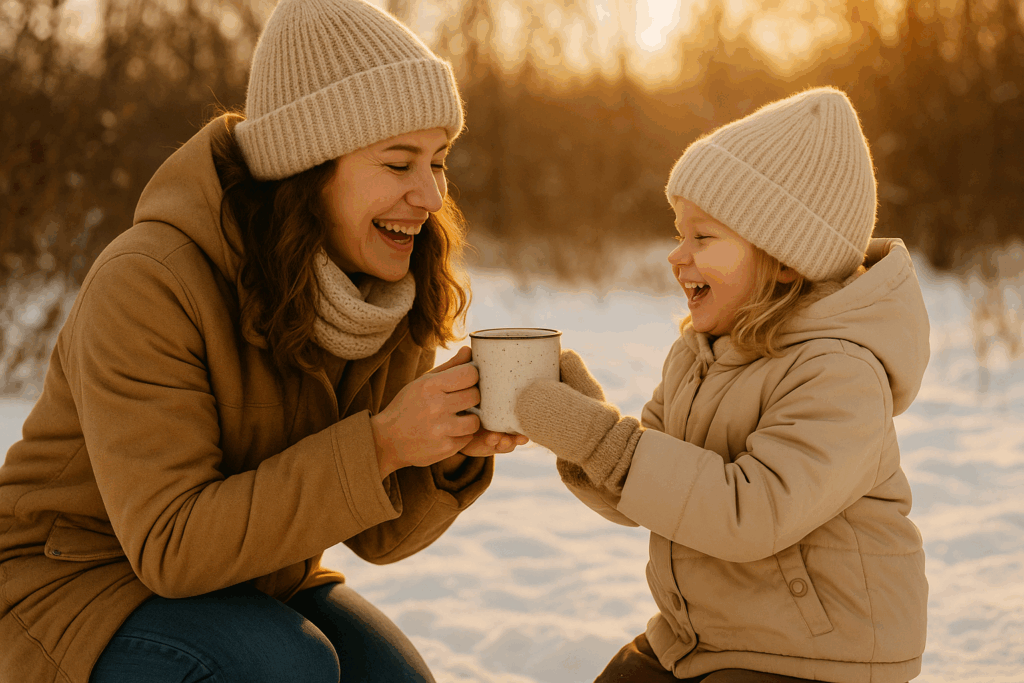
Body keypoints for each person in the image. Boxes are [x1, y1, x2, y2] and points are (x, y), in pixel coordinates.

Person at [0, 1, 528, 681]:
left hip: (254, 581)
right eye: (399, 164)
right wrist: (384, 440)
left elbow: (380, 531)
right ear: (307, 169)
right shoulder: (151, 281)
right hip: (73, 589)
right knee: (285, 667)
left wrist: (448, 448)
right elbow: (172, 545)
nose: (429, 195)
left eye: (439, 161)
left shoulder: (379, 287)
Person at [514, 87, 929, 682]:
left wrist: (605, 442)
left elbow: (749, 512)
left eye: (702, 237)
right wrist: (585, 432)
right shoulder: (698, 356)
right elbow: (650, 488)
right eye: (679, 232)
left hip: (819, 657)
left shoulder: (840, 372)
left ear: (785, 259)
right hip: (705, 638)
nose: (676, 255)